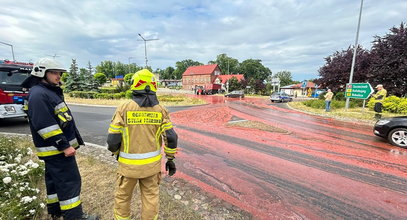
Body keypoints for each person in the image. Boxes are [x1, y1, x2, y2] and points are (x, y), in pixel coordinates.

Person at [21, 58, 99, 220]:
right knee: (69, 182)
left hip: (54, 152)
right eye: (55, 73)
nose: (59, 77)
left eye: (60, 73)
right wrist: (64, 146)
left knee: (55, 181)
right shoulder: (39, 94)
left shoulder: (44, 91)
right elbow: (45, 126)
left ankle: (56, 211)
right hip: (58, 151)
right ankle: (75, 216)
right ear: (42, 73)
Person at [107, 69, 178, 220]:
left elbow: (113, 140)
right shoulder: (161, 110)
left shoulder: (124, 108)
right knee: (150, 198)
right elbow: (171, 137)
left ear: (134, 85)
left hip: (127, 168)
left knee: (123, 198)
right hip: (151, 169)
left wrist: (116, 153)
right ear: (153, 86)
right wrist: (170, 159)